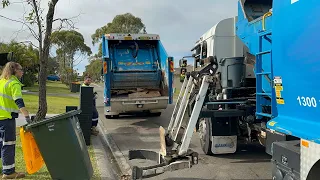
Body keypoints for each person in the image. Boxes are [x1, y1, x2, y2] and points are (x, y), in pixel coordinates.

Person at [0, 62, 30, 179]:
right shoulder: (13, 83)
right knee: (8, 144)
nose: (22, 72)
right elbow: (18, 101)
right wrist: (26, 116)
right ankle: (8, 173)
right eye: (21, 69)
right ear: (14, 71)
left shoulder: (1, 82)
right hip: (7, 119)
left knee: (0, 144)